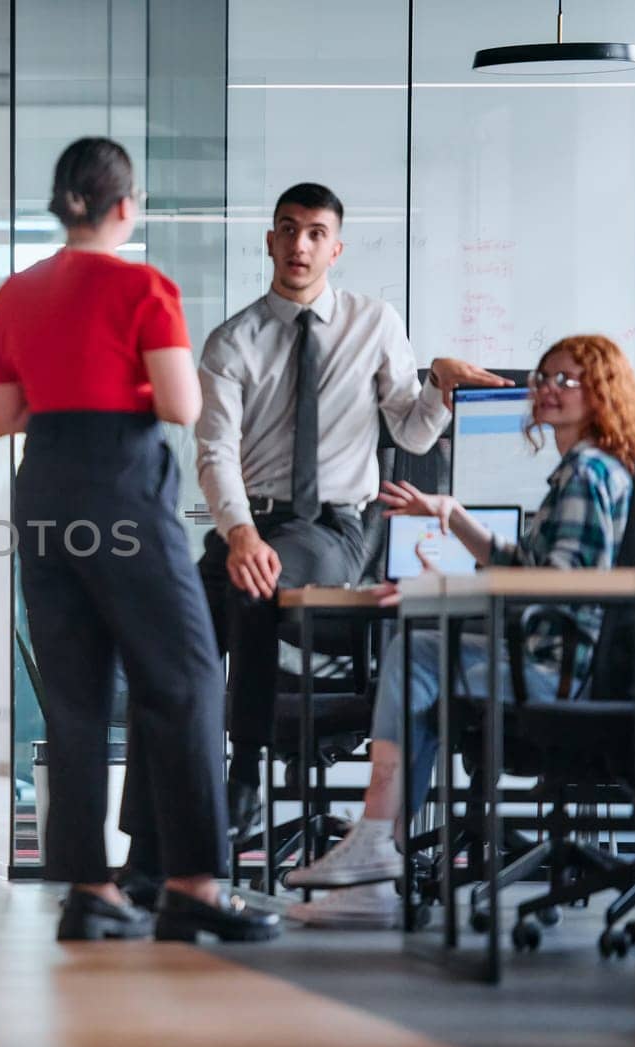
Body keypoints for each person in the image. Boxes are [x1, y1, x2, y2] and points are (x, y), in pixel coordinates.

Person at [0, 136, 277, 943]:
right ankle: (193, 884)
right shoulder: (144, 286)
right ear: (125, 206)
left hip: (43, 487)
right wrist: (129, 376)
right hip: (121, 485)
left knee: (73, 699)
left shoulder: (15, 294)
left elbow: (0, 416)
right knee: (183, 675)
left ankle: (91, 889)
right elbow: (182, 405)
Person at [285, 335, 635, 927]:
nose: (547, 389)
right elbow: (528, 568)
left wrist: (438, 590)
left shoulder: (583, 471)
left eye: (566, 380)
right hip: (559, 662)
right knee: (419, 660)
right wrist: (452, 515)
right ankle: (379, 860)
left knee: (416, 654)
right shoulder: (595, 467)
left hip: (553, 671)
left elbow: (555, 585)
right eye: (544, 376)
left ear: (601, 392)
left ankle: (378, 845)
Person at [195, 183, 508, 839]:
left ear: (335, 248)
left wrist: (440, 388)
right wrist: (242, 531)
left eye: (315, 233)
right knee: (169, 642)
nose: (300, 244)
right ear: (270, 240)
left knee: (261, 578)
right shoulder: (233, 341)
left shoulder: (375, 323)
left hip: (331, 525)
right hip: (248, 521)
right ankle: (148, 853)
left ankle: (246, 766)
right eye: (288, 228)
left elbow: (413, 434)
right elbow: (215, 452)